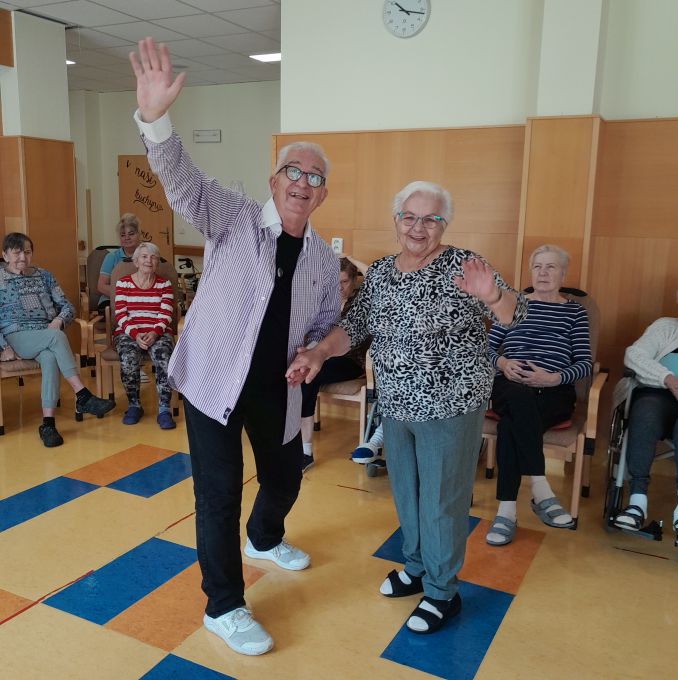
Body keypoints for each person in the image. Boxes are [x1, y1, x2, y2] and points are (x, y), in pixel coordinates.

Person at [129, 37, 339, 656]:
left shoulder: (323, 260)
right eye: (293, 171)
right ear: (274, 182)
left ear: (322, 194)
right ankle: (224, 606)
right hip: (214, 382)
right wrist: (155, 119)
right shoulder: (234, 217)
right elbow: (183, 183)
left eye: (314, 177)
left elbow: (326, 324)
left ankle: (265, 538)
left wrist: (316, 352)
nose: (302, 182)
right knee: (218, 494)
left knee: (286, 476)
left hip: (278, 387)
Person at [287, 181, 526, 634]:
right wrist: (318, 352)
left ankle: (442, 591)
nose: (419, 227)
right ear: (396, 220)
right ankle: (416, 567)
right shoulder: (380, 272)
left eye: (431, 219)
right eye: (409, 217)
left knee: (441, 501)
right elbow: (354, 325)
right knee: (408, 493)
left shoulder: (463, 265)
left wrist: (493, 296)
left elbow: (518, 315)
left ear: (444, 224)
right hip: (396, 405)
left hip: (450, 405)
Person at [485, 245, 592, 546]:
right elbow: (486, 349)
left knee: (511, 425)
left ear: (563, 274)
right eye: (537, 267)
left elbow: (585, 363)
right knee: (519, 398)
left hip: (555, 391)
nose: (543, 273)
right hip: (511, 385)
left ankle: (507, 512)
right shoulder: (513, 305)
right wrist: (503, 363)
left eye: (551, 267)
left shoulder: (574, 312)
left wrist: (553, 377)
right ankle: (540, 487)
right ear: (531, 272)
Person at [0, 233, 115, 447]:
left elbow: (67, 306)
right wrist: (3, 347)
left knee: (50, 358)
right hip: (16, 335)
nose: (22, 258)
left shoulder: (44, 276)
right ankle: (82, 395)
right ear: (5, 255)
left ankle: (48, 424)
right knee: (56, 337)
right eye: (16, 253)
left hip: (46, 334)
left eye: (27, 252)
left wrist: (59, 320)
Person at [613, 316, 678, 546]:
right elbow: (634, 355)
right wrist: (668, 378)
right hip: (657, 394)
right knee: (645, 413)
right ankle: (637, 502)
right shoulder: (666, 327)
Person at [300, 255, 369, 472]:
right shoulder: (326, 301)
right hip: (325, 356)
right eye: (335, 282)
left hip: (351, 361)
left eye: (344, 282)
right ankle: (298, 443)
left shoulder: (362, 299)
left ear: (354, 280)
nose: (339, 287)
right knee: (302, 372)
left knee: (309, 375)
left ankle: (305, 451)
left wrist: (351, 257)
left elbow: (373, 275)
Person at [113, 242, 176, 429]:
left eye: (154, 257)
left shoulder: (164, 284)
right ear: (136, 261)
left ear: (157, 263)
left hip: (158, 332)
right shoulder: (123, 283)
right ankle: (134, 405)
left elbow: (166, 313)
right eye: (144, 256)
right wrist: (136, 334)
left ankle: (164, 409)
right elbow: (120, 315)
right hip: (129, 332)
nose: (149, 260)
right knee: (128, 357)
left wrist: (155, 333)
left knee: (164, 357)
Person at [97, 213, 143, 314]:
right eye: (123, 235)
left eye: (131, 234)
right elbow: (101, 286)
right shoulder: (111, 257)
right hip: (112, 299)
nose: (127, 238)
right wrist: (124, 297)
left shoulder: (147, 255)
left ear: (139, 234)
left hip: (140, 299)